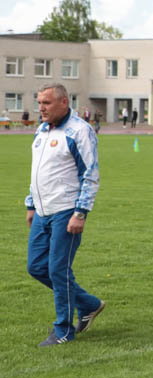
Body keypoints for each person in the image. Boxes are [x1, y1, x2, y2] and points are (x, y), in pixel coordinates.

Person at [25, 83, 103, 345]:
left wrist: (80, 213)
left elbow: (90, 174)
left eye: (46, 103)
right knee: (36, 267)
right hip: (42, 211)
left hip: (66, 210)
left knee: (58, 269)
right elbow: (38, 170)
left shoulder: (80, 131)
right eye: (39, 103)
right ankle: (89, 304)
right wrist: (31, 204)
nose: (41, 108)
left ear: (63, 102)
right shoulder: (42, 129)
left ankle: (63, 330)